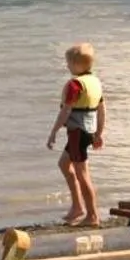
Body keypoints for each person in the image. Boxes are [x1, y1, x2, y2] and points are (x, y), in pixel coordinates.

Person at [46, 41, 105, 228]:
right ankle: (78, 207)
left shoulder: (75, 85)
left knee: (82, 174)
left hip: (78, 133)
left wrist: (54, 131)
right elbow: (102, 109)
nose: (67, 66)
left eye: (69, 63)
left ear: (78, 65)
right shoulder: (94, 82)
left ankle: (93, 215)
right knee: (64, 164)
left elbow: (66, 111)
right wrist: (99, 133)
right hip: (87, 131)